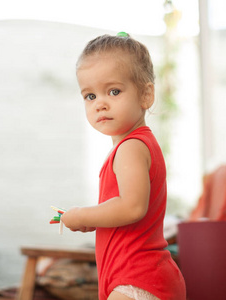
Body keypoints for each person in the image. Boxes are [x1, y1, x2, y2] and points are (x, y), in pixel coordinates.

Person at [60, 32, 186, 300]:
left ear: (146, 95)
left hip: (138, 279)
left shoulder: (131, 147)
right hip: (136, 279)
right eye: (90, 96)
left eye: (114, 91)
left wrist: (83, 215)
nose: (100, 103)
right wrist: (96, 220)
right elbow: (125, 209)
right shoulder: (134, 146)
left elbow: (132, 207)